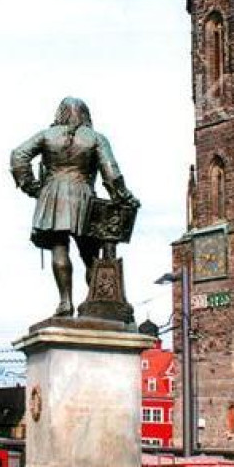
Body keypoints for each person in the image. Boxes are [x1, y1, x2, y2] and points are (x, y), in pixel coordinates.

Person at [10, 97, 138, 317]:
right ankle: (98, 300)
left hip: (52, 196)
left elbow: (18, 156)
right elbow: (111, 172)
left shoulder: (47, 135)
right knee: (91, 256)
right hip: (84, 198)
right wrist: (124, 196)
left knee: (59, 248)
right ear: (86, 114)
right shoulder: (96, 138)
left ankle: (65, 302)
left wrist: (32, 187)